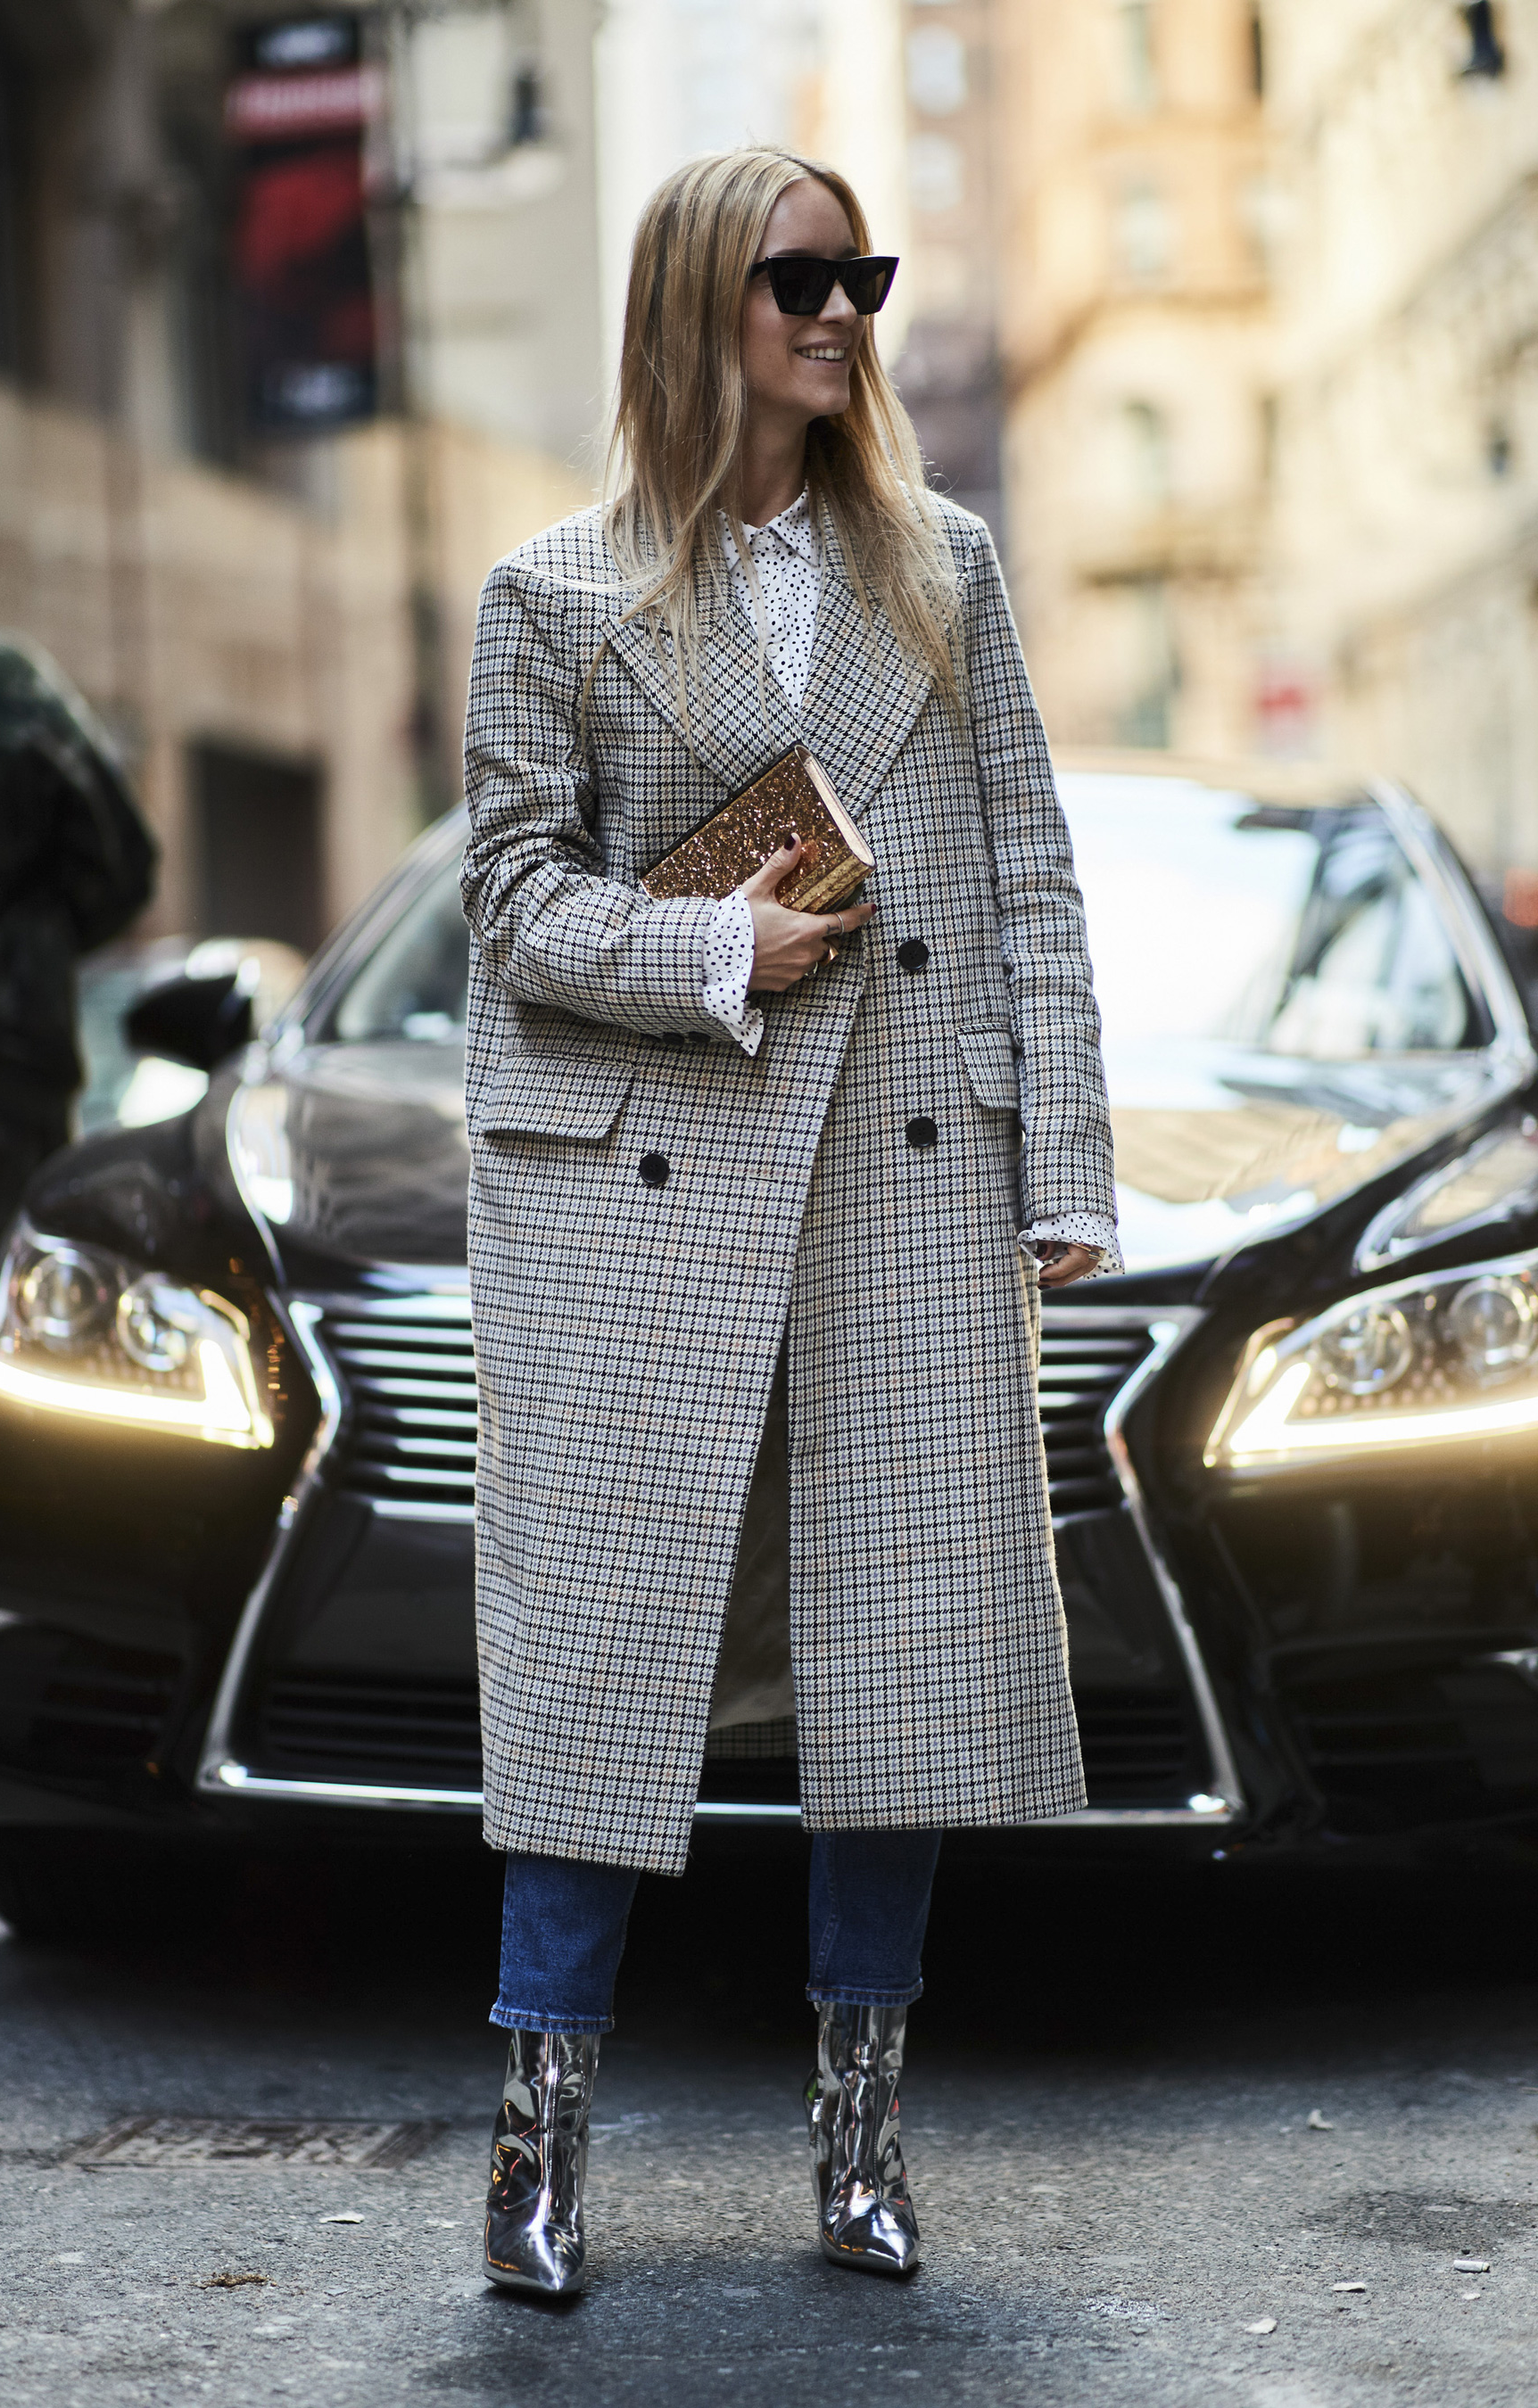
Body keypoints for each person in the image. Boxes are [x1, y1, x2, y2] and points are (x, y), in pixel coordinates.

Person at [459, 148, 1120, 2297]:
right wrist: (710, 945)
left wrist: (1066, 1172)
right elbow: (506, 897)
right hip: (650, 1178)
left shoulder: (944, 562)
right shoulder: (557, 591)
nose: (839, 311)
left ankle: (859, 2136)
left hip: (898, 1182)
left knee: (896, 1653)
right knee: (598, 1658)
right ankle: (537, 2137)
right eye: (795, 277)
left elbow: (1030, 870)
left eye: (861, 274)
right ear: (692, 305)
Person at [0, 490, 156, 1359]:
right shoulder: (3, 680)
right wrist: (31, 936)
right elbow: (126, 862)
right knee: (5, 1328)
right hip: (1, 1069)